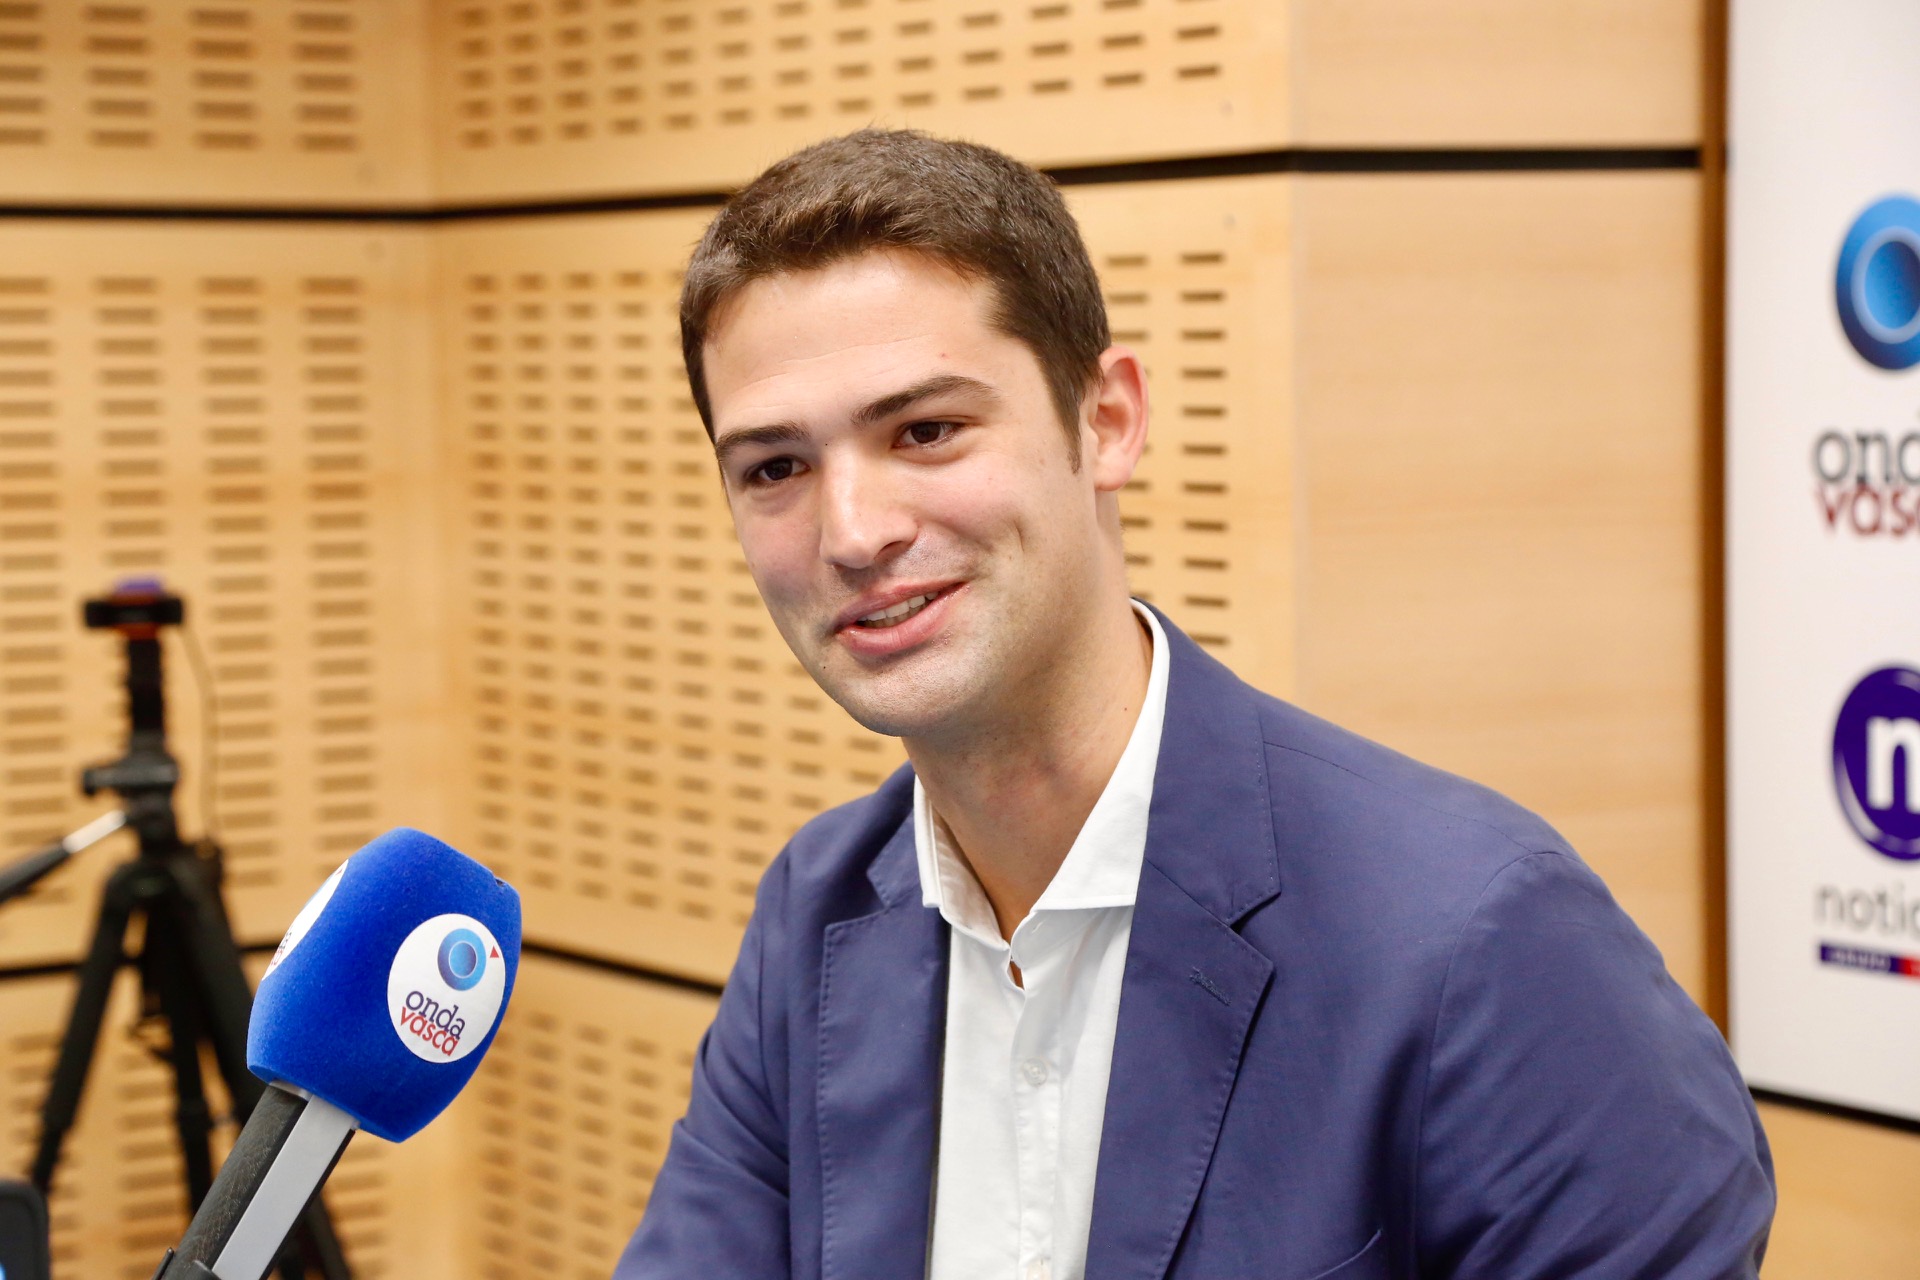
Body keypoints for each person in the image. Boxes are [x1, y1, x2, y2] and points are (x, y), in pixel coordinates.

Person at [613, 129, 1774, 1280]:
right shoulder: (814, 914)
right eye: (775, 467)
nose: (853, 531)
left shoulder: (1477, 937)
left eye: (927, 430)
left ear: (1107, 419)